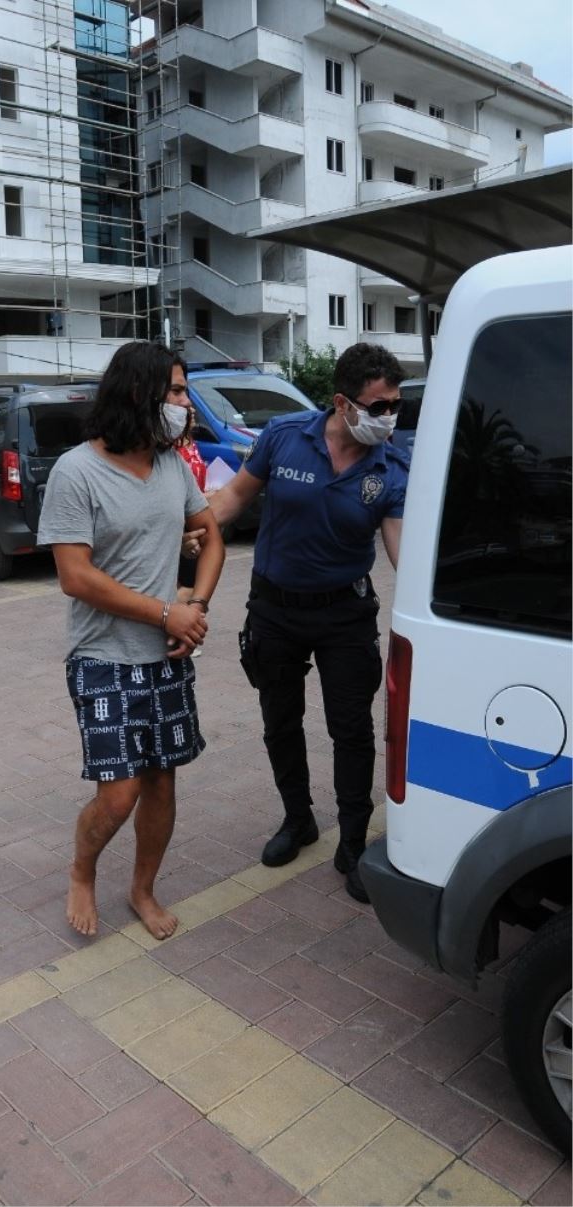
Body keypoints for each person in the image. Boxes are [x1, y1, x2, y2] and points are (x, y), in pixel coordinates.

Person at [201, 343, 408, 902]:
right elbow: (231, 501)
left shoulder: (391, 467)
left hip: (345, 615)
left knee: (352, 729)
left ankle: (353, 843)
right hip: (275, 611)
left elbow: (402, 556)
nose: (388, 417)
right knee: (280, 720)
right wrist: (182, 532)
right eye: (379, 406)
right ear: (342, 403)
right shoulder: (284, 437)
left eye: (395, 406)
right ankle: (298, 820)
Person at [37, 341, 225, 939]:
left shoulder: (172, 465)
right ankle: (82, 870)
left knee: (162, 783)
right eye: (177, 391)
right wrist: (166, 613)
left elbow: (211, 536)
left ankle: (142, 890)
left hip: (166, 656)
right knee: (119, 795)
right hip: (103, 657)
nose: (185, 402)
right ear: (140, 393)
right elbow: (75, 576)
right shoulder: (76, 471)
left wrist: (195, 606)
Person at [167, 358, 209, 655]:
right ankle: (177, 626)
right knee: (183, 583)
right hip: (180, 526)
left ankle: (185, 625)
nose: (187, 407)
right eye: (177, 392)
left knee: (192, 580)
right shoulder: (167, 452)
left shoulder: (190, 445)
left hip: (196, 521)